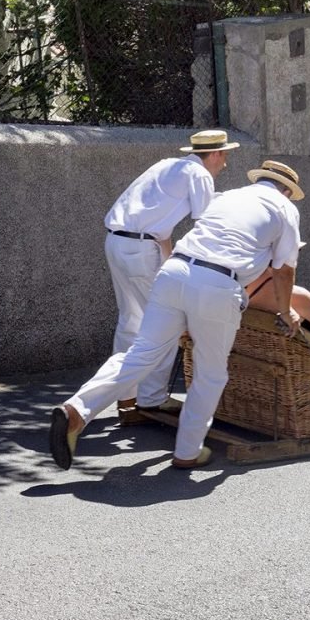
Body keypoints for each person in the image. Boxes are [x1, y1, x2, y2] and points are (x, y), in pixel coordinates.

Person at [50, 160, 305, 470]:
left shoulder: (227, 196)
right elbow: (284, 269)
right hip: (218, 283)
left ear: (259, 180)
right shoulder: (284, 208)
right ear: (287, 190)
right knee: (210, 374)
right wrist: (285, 310)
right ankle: (187, 451)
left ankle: (77, 409)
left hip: (174, 271)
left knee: (141, 353)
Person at [100, 129, 238, 424]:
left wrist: (168, 260)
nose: (225, 163)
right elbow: (206, 224)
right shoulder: (200, 175)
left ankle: (126, 398)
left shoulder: (167, 165)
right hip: (140, 249)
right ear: (214, 154)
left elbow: (160, 223)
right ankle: (151, 399)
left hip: (117, 242)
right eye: (225, 155)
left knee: (131, 321)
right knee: (166, 322)